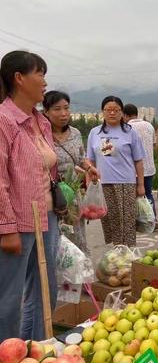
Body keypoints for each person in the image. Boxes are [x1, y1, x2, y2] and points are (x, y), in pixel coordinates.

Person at [0, 50, 60, 341]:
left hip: (46, 219)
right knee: (8, 298)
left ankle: (37, 353)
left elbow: (43, 168)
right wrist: (6, 229)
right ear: (19, 78)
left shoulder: (42, 122)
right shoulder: (4, 121)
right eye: (40, 73)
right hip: (18, 223)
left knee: (46, 291)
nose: (44, 81)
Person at [43, 90, 99, 253]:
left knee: (76, 236)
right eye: (57, 109)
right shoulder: (41, 135)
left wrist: (89, 167)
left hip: (73, 195)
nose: (63, 113)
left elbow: (80, 157)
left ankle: (80, 275)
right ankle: (59, 277)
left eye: (66, 108)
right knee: (57, 239)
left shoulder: (75, 133)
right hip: (52, 195)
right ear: (46, 111)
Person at [87, 96, 146, 247]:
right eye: (108, 110)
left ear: (121, 112)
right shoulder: (94, 133)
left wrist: (141, 185)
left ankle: (127, 255)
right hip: (103, 183)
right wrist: (89, 184)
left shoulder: (130, 132)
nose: (112, 113)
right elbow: (90, 161)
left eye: (116, 110)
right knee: (110, 221)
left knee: (126, 222)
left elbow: (138, 160)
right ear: (102, 112)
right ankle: (115, 253)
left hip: (126, 183)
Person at [123, 103, 158, 228]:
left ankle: (138, 222)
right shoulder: (149, 125)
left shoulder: (127, 127)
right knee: (147, 194)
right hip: (149, 167)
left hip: (134, 169)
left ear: (125, 115)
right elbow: (154, 144)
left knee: (132, 197)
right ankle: (153, 220)